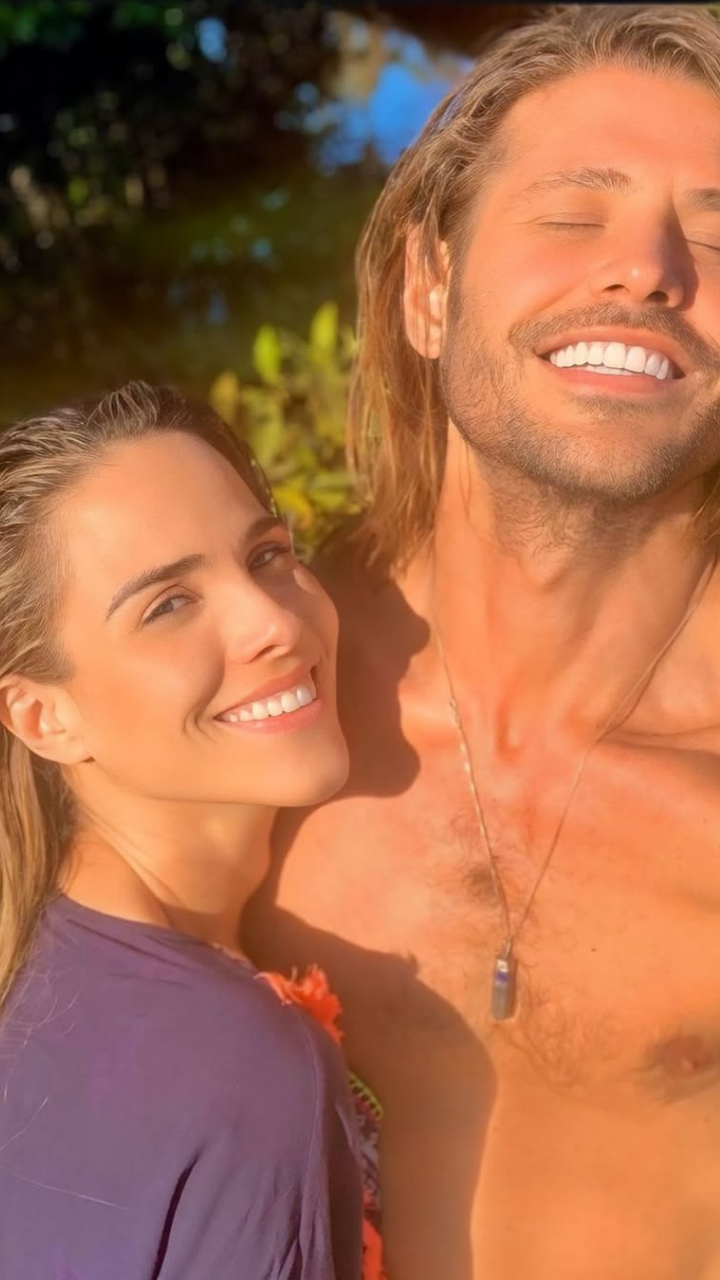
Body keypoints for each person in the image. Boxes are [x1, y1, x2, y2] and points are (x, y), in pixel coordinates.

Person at [245, 5, 720, 1278]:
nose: (649, 271)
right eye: (573, 214)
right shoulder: (234, 695)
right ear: (428, 285)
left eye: (718, 235)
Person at [0, 382, 363, 1280]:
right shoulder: (236, 1061)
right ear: (44, 717)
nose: (274, 621)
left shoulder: (41, 979)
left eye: (268, 555)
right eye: (168, 605)